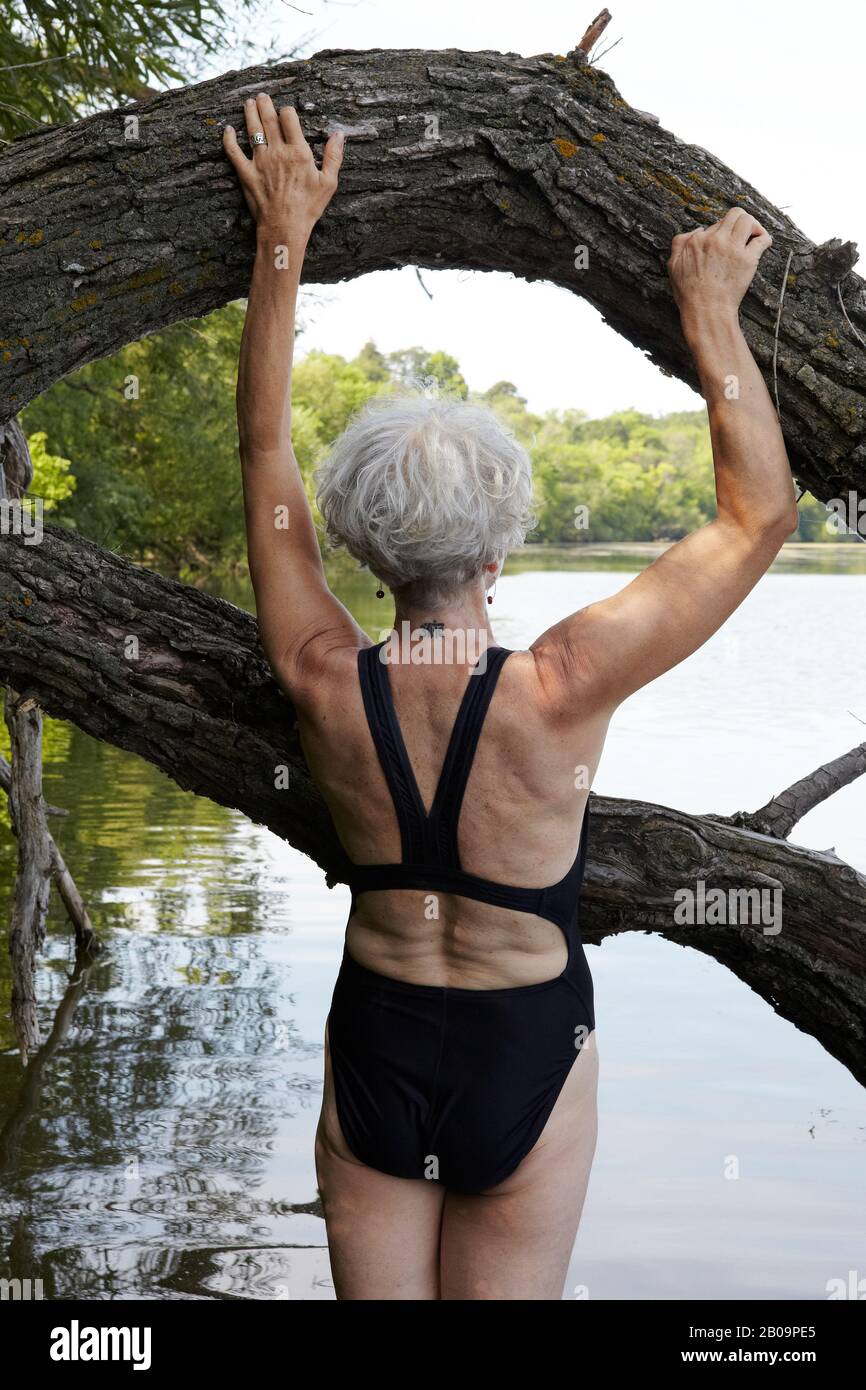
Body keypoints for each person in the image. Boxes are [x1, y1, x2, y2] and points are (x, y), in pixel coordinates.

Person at [223, 94, 798, 1301]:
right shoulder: (562, 685)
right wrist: (709, 320)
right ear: (499, 553)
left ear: (361, 549)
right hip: (523, 1043)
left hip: (378, 1034)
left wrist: (285, 238)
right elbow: (756, 517)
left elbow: (264, 448)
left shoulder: (320, 677)